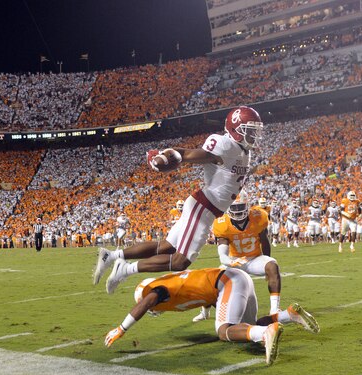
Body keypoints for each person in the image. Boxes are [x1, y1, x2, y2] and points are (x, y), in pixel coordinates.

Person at [93, 106, 264, 293]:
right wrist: (168, 157)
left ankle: (111, 256)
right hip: (203, 207)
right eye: (250, 130)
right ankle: (124, 269)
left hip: (205, 207)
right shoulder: (225, 144)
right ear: (234, 129)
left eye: (256, 130)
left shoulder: (244, 152)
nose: (254, 135)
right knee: (180, 261)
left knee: (166, 246)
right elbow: (191, 154)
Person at [103, 267, 320, 366]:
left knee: (224, 331)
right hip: (235, 278)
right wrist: (206, 311)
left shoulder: (154, 290)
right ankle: (288, 315)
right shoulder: (170, 284)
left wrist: (121, 329)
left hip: (227, 282)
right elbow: (200, 294)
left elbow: (149, 301)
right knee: (247, 326)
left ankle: (265, 333)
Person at [192, 193, 282, 322]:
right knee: (212, 283)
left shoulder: (259, 216)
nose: (238, 211)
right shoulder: (221, 223)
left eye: (240, 206)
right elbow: (223, 253)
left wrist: (267, 262)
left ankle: (274, 309)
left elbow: (264, 241)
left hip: (255, 258)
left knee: (272, 265)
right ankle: (205, 312)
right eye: (234, 207)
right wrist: (229, 261)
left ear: (247, 205)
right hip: (234, 260)